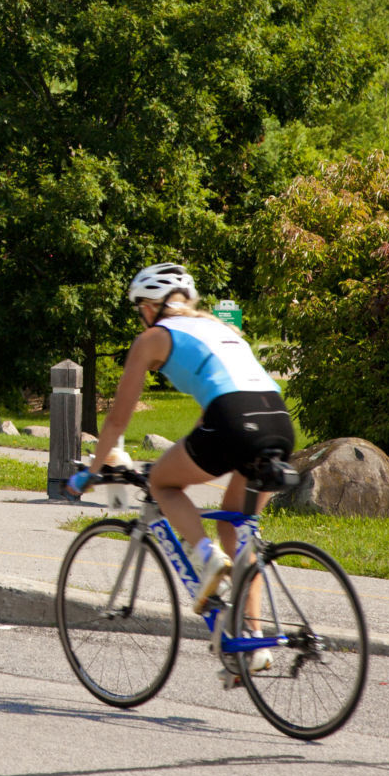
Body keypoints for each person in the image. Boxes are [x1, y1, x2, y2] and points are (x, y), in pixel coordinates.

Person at [67, 263, 293, 615]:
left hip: (233, 420)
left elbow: (116, 421)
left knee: (161, 482)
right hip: (278, 420)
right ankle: (254, 643)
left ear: (148, 307)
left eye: (141, 308)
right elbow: (218, 405)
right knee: (235, 529)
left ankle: (206, 555)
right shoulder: (219, 328)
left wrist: (90, 472)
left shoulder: (152, 338)